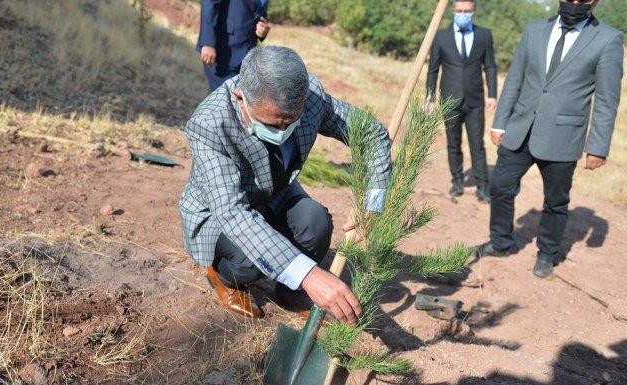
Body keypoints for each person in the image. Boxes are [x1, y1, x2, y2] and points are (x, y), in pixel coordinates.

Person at [179, 46, 392, 324]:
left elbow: (371, 135)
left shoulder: (312, 98)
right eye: (272, 123)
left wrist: (372, 205)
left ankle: (289, 292)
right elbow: (233, 213)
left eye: (290, 122)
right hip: (221, 213)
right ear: (241, 98)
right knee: (248, 264)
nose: (282, 133)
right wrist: (310, 274)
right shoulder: (210, 124)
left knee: (316, 224)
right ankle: (224, 277)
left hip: (275, 193)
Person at [474, 0, 623, 278]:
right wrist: (499, 122)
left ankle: (547, 253)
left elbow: (606, 99)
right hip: (520, 129)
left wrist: (598, 146)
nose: (574, 4)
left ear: (595, 2)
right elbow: (515, 78)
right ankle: (501, 242)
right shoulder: (534, 30)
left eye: (583, 0)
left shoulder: (608, 39)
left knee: (555, 202)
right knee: (501, 188)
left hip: (563, 136)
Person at [427, 0, 497, 203]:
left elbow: (490, 66)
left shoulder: (484, 35)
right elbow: (433, 69)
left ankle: (483, 187)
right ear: (453, 11)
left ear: (474, 11)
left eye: (467, 11)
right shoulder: (441, 36)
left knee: (478, 145)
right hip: (450, 100)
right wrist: (430, 98)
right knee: (453, 144)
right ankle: (457, 182)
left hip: (475, 101)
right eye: (459, 11)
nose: (463, 14)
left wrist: (492, 94)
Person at [198, 0, 270, 92]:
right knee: (225, 102)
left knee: (240, 103)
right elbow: (209, 3)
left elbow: (258, 12)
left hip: (249, 58)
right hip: (222, 52)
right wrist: (208, 43)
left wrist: (263, 30)